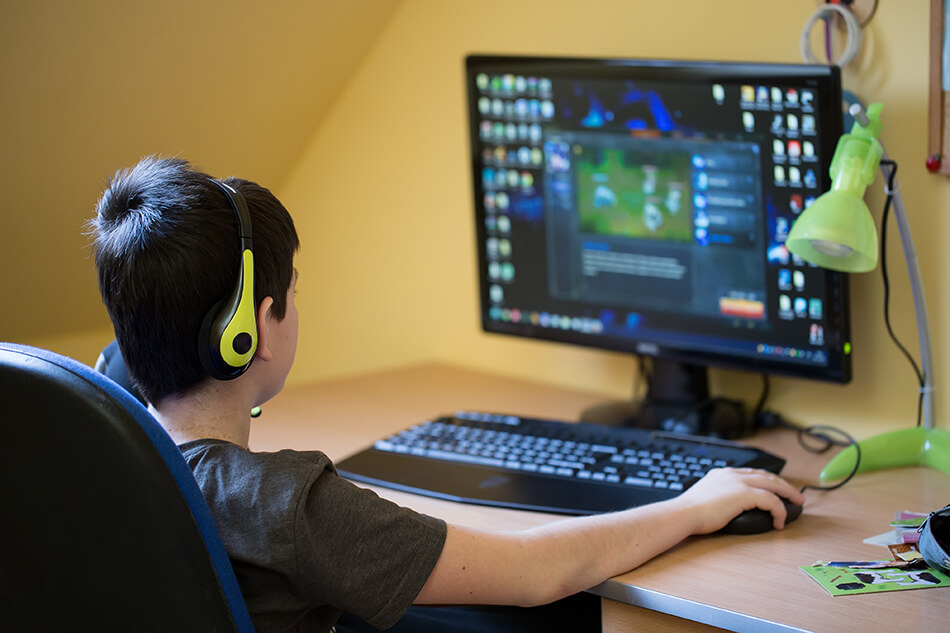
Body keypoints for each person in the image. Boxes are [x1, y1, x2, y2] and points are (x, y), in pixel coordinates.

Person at [90, 156, 805, 633]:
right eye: (291, 295)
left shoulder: (98, 444)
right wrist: (691, 505)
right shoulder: (285, 506)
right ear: (246, 335)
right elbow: (535, 572)